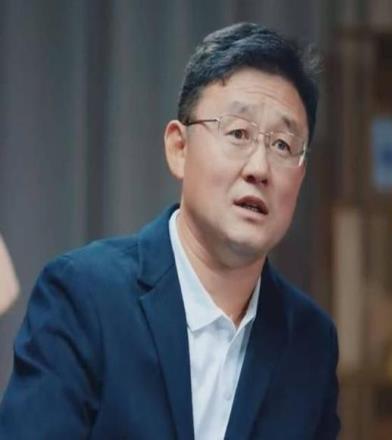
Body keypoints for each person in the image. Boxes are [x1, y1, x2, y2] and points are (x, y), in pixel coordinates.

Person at [0, 22, 340, 439]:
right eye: (238, 133)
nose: (259, 168)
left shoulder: (311, 341)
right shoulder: (84, 296)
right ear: (179, 148)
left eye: (283, 145)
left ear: (301, 177)